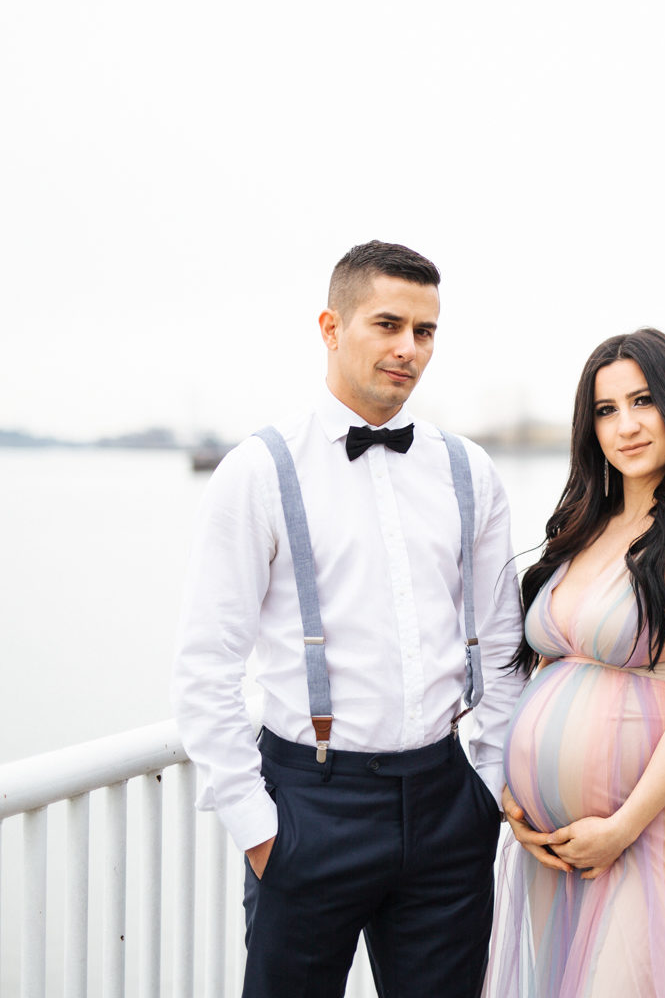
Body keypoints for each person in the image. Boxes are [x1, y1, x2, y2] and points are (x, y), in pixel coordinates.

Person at [171, 240, 524, 997]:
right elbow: (207, 666)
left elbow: (501, 643)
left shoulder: (468, 471)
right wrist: (258, 830)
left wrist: (487, 787)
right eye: (388, 324)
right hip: (309, 807)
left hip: (445, 802)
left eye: (424, 331)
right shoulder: (260, 471)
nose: (408, 349)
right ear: (331, 327)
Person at [485, 328, 665, 997]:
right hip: (555, 845)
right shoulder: (582, 526)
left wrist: (619, 828)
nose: (627, 425)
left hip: (646, 830)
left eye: (642, 400)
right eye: (607, 409)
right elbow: (534, 677)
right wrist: (514, 798)